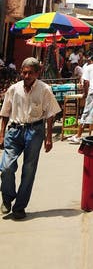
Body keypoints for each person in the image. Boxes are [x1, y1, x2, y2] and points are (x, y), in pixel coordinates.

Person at [0, 58, 61, 220]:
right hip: (14, 131)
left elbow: (50, 114)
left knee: (28, 170)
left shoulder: (44, 89)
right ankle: (7, 198)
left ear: (37, 73)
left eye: (30, 73)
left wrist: (48, 137)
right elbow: (5, 113)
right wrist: (1, 134)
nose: (26, 76)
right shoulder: (13, 89)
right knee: (6, 168)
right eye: (24, 72)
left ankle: (20, 207)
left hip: (35, 132)